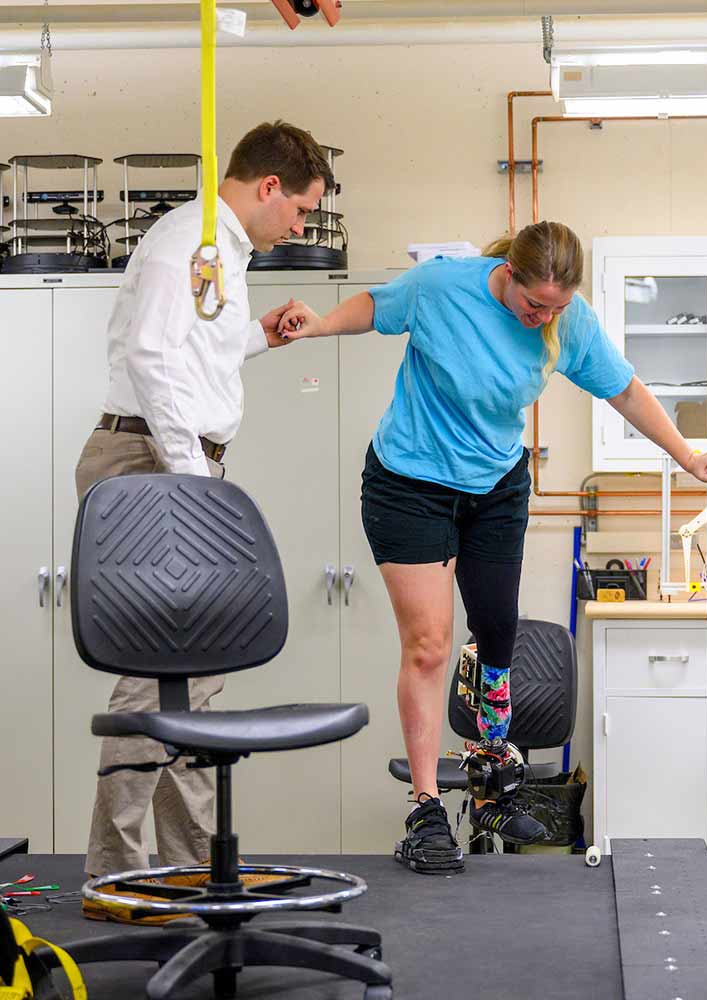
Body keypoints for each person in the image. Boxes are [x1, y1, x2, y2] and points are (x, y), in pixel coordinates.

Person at [274, 221, 707, 874]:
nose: (543, 317)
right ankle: (427, 810)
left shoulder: (566, 322)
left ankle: (490, 779)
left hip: (497, 485)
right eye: (534, 303)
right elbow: (377, 307)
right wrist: (315, 326)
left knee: (497, 631)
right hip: (410, 482)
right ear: (507, 273)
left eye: (557, 307)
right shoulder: (442, 288)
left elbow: (622, 387)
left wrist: (687, 456)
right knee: (430, 642)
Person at [75, 120, 334, 909]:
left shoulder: (219, 251)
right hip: (151, 464)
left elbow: (189, 354)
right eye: (299, 210)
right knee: (153, 679)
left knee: (194, 681)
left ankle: (185, 868)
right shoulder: (189, 238)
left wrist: (255, 337)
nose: (300, 227)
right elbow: (152, 361)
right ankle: (114, 874)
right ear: (267, 187)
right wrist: (191, 481)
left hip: (172, 461)